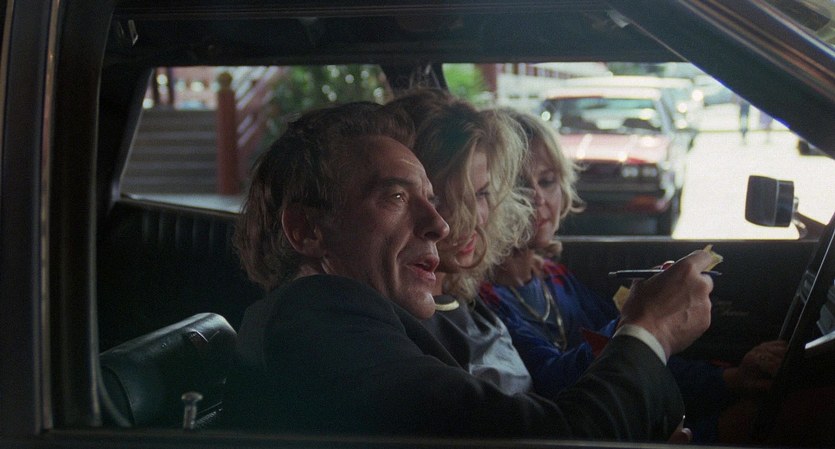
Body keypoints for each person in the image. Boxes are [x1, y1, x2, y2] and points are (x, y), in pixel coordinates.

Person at [222, 100, 717, 442]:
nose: (439, 223)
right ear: (307, 229)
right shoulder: (318, 321)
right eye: (396, 197)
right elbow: (550, 441)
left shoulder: (365, 321)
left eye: (432, 198)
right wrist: (651, 328)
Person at [480, 108, 788, 442]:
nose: (538, 198)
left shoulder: (555, 279)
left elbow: (645, 358)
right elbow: (555, 379)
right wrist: (645, 317)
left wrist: (732, 379)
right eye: (518, 186)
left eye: (547, 181)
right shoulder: (484, 302)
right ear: (480, 199)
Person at [381, 89, 535, 395]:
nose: (473, 218)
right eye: (440, 198)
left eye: (481, 194)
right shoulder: (400, 327)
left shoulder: (466, 299)